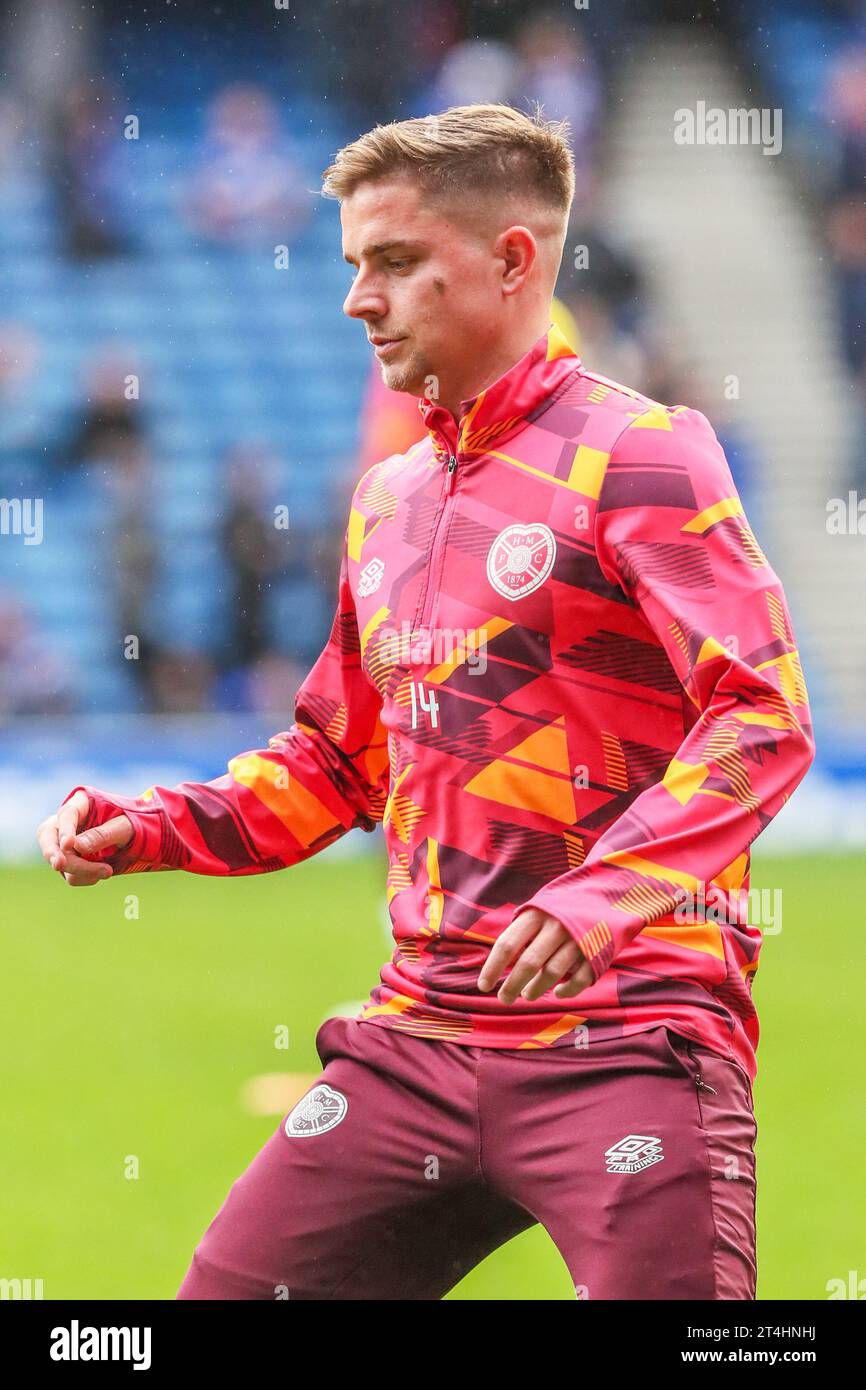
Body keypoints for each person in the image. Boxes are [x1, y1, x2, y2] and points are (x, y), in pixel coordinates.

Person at [36, 103, 816, 1301]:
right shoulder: (388, 496)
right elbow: (338, 763)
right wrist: (146, 827)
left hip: (628, 1034)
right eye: (354, 264)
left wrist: (603, 897)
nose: (358, 297)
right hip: (418, 1040)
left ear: (511, 262)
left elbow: (758, 713)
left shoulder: (641, 455)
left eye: (394, 262)